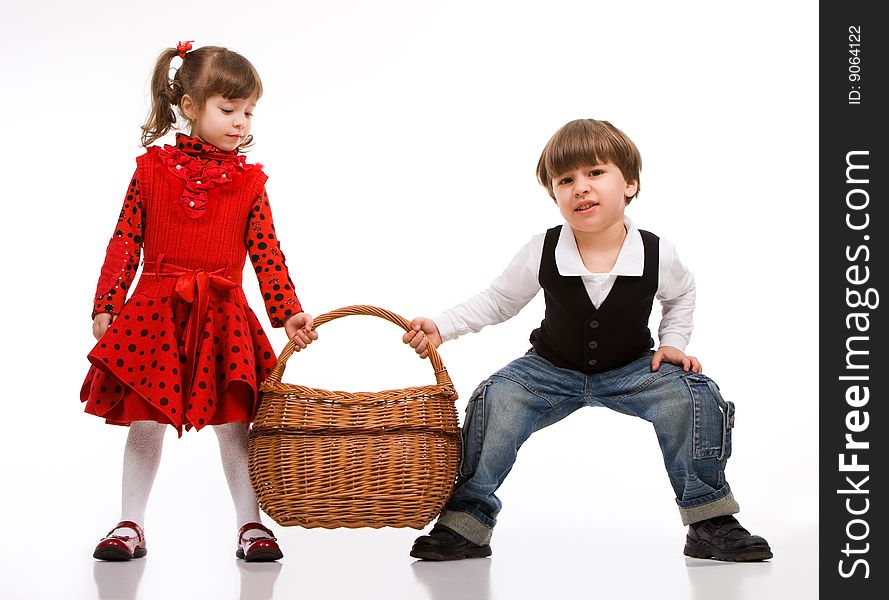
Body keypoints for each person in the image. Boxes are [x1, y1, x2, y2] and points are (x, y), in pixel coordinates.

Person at [402, 119, 772, 562]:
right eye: (566, 180)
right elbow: (500, 299)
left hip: (632, 369)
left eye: (595, 173)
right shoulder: (544, 248)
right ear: (554, 195)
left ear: (630, 184)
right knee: (496, 398)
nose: (581, 187)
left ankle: (709, 520)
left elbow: (682, 293)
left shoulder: (657, 252)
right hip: (550, 367)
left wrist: (672, 341)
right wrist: (442, 326)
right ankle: (467, 523)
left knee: (694, 397)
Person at [81, 41, 317, 562]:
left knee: (235, 423)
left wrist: (287, 311)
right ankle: (130, 524)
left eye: (249, 111)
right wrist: (107, 302)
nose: (240, 122)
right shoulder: (150, 172)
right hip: (154, 316)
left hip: (222, 316)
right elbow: (125, 239)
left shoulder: (251, 183)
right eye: (227, 110)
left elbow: (267, 253)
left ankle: (250, 524)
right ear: (189, 106)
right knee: (146, 420)